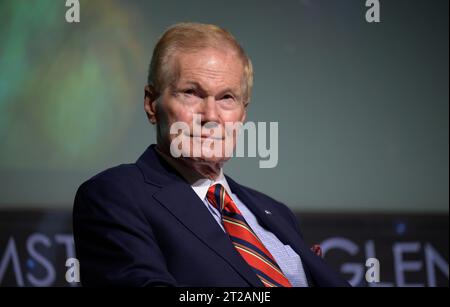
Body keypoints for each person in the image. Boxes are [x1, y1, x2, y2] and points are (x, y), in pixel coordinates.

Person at [73, 22, 349, 287]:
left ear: (243, 114)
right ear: (151, 104)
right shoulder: (115, 196)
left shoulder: (276, 212)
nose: (211, 116)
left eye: (226, 98)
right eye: (191, 93)